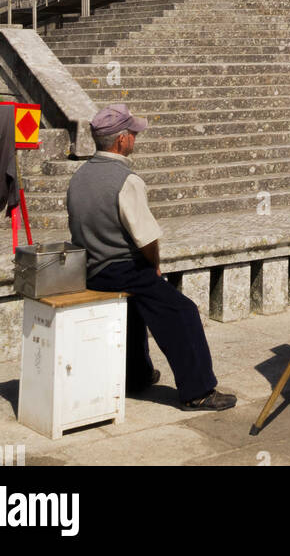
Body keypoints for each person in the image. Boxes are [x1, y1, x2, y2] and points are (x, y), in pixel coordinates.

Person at [66, 104, 236, 412]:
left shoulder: (79, 177)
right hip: (122, 268)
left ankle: (137, 375)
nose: (135, 138)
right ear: (120, 141)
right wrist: (154, 267)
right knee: (182, 312)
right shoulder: (127, 180)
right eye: (132, 134)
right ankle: (198, 391)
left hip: (90, 269)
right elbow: (146, 238)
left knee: (136, 308)